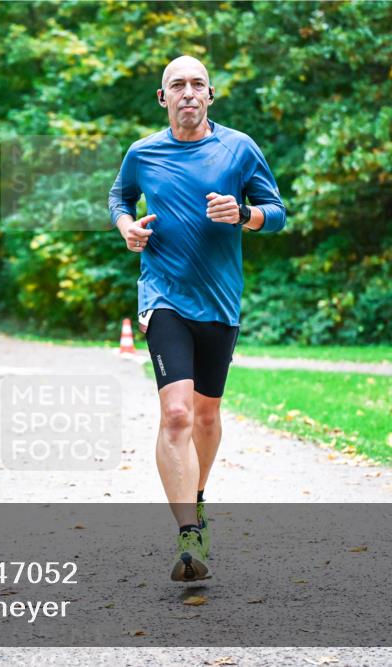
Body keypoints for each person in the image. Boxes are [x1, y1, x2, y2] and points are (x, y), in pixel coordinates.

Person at [108, 56, 286, 582]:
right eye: (176, 86)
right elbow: (120, 196)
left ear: (211, 94)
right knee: (178, 415)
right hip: (163, 296)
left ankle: (198, 497)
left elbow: (276, 211)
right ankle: (188, 534)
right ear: (162, 98)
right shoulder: (142, 152)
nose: (188, 93)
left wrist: (245, 214)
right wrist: (125, 226)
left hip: (221, 302)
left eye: (196, 84)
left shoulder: (239, 148)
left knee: (207, 416)